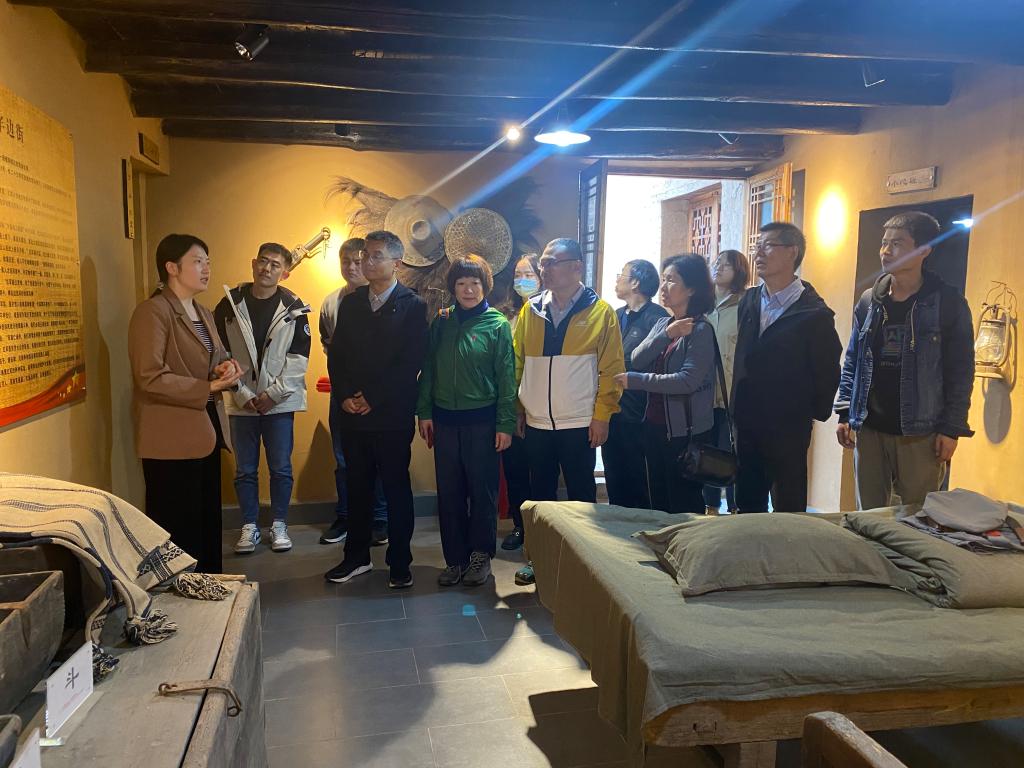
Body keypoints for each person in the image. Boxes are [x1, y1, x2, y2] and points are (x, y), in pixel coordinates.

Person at [835, 211, 975, 509]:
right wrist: (845, 411)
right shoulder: (870, 300)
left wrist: (951, 428)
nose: (886, 251)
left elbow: (960, 372)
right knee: (868, 516)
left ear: (924, 250)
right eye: (884, 243)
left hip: (920, 430)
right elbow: (854, 359)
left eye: (897, 244)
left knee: (916, 517)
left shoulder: (947, 302)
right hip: (870, 426)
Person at [128, 234, 242, 573]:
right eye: (197, 261)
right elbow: (149, 376)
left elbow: (212, 360)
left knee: (206, 521)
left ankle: (211, 585)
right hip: (171, 438)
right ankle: (183, 594)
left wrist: (224, 368)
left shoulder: (202, 312)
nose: (206, 269)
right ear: (172, 267)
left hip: (205, 429)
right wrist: (207, 385)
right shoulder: (153, 312)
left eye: (208, 262)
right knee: (179, 526)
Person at [513, 238, 624, 584]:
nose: (544, 269)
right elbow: (518, 363)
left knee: (581, 494)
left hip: (579, 421)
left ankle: (583, 562)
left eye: (552, 262)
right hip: (537, 422)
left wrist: (602, 415)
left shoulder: (600, 312)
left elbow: (612, 369)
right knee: (540, 495)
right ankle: (540, 559)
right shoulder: (531, 310)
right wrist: (518, 409)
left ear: (577, 267)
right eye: (543, 263)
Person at [324, 230, 427, 589]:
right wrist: (344, 395)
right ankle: (356, 557)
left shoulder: (413, 305)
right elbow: (337, 355)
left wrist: (373, 397)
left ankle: (400, 562)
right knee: (357, 487)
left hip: (391, 414)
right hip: (353, 414)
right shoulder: (352, 303)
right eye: (365, 255)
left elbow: (411, 361)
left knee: (396, 489)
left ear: (396, 262)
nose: (366, 262)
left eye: (375, 256)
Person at [417, 255, 516, 587]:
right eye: (461, 283)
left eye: (474, 283)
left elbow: (507, 378)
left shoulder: (497, 325)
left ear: (485, 285)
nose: (468, 289)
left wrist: (504, 424)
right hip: (445, 421)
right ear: (453, 287)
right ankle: (455, 559)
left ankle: (480, 555)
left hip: (483, 423)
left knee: (482, 490)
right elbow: (428, 369)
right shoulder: (442, 321)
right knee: (450, 492)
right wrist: (424, 412)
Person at [731, 222, 842, 513]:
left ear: (792, 252)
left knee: (788, 504)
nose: (758, 254)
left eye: (768, 246)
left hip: (788, 424)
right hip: (747, 418)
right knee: (746, 502)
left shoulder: (813, 313)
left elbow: (827, 369)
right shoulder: (750, 299)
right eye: (757, 247)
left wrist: (806, 412)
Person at [214, 242, 311, 555]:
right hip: (241, 401)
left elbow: (298, 359)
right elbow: (220, 355)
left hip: (279, 403)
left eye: (275, 265)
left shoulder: (295, 308)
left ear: (285, 272)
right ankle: (249, 525)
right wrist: (241, 393)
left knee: (280, 467)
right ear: (253, 263)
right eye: (263, 262)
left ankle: (279, 524)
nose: (266, 269)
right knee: (245, 469)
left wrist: (273, 395)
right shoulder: (229, 304)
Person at [615, 254, 716, 514]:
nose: (663, 287)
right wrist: (667, 334)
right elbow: (638, 359)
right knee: (658, 503)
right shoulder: (663, 323)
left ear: (691, 288)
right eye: (663, 279)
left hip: (684, 432)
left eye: (671, 280)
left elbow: (687, 381)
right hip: (654, 426)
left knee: (683, 505)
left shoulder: (700, 329)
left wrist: (637, 382)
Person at [317, 237, 389, 546]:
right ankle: (346, 516)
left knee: (379, 458)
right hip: (342, 394)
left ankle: (380, 518)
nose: (352, 267)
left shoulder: (386, 299)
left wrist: (372, 394)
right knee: (343, 459)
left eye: (358, 261)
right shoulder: (331, 302)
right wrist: (345, 393)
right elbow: (329, 348)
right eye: (346, 261)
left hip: (378, 396)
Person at [603, 259, 668, 509]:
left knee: (639, 479)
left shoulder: (658, 318)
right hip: (612, 410)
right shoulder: (615, 315)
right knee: (614, 474)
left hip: (640, 414)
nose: (617, 279)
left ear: (635, 283)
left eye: (622, 274)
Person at [496, 254, 540, 551]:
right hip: (510, 403)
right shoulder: (505, 315)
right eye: (518, 274)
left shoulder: (546, 313)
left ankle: (541, 529)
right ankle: (519, 524)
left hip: (539, 403)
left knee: (540, 471)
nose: (522, 279)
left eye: (529, 274)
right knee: (515, 468)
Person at [702, 249, 748, 514]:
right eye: (717, 262)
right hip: (705, 395)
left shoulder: (745, 305)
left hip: (734, 394)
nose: (718, 267)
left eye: (726, 264)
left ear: (738, 271)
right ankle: (709, 507)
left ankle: (735, 508)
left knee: (732, 452)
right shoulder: (704, 305)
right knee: (707, 451)